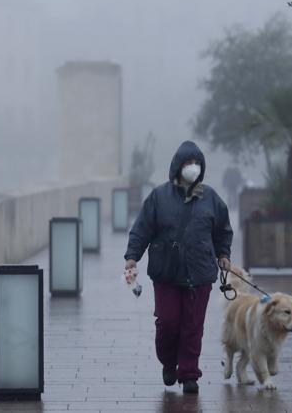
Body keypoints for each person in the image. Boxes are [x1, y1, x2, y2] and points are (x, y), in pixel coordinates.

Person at [124, 140, 234, 395]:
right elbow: (142, 228)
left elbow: (222, 231)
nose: (192, 168)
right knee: (168, 322)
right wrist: (133, 256)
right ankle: (168, 361)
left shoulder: (211, 199)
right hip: (166, 273)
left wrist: (223, 254)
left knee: (193, 326)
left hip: (200, 273)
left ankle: (189, 373)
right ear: (177, 166)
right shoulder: (158, 197)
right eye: (187, 163)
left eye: (196, 163)